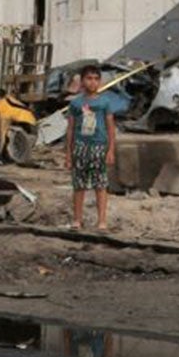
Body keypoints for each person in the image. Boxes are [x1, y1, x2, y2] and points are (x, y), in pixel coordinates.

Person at [65, 63, 126, 232]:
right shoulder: (76, 104)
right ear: (82, 81)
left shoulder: (105, 102)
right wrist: (68, 154)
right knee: (79, 185)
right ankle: (77, 220)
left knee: (100, 185)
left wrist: (111, 150)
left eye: (96, 79)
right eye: (89, 78)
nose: (92, 82)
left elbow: (110, 127)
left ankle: (102, 221)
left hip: (99, 146)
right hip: (80, 146)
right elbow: (70, 129)